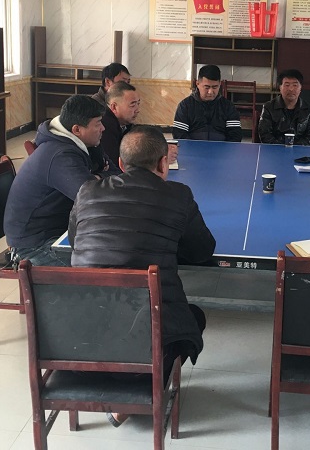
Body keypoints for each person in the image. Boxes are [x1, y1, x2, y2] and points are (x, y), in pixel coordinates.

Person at [69, 125, 216, 426]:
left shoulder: (87, 191)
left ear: (121, 164)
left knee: (124, 316)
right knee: (192, 318)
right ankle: (138, 392)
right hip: (145, 332)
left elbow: (75, 240)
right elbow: (202, 251)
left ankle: (118, 389)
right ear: (163, 163)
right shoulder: (179, 195)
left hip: (80, 331)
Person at [4, 94, 107, 266]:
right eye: (98, 124)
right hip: (34, 246)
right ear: (77, 130)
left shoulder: (85, 143)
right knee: (110, 260)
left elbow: (113, 171)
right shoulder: (60, 155)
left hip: (59, 230)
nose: (103, 128)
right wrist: (97, 178)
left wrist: (97, 177)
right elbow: (93, 198)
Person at [172, 64, 242, 142]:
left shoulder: (228, 107)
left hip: (221, 148)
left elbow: (235, 135)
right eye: (207, 87)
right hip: (192, 148)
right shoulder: (185, 106)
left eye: (215, 87)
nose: (210, 92)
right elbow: (179, 134)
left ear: (220, 84)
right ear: (197, 84)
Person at [257, 69, 310, 145]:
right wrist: (282, 148)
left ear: (300, 88)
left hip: (299, 149)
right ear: (280, 88)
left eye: (295, 85)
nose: (291, 89)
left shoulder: (309, 109)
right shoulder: (268, 107)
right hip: (275, 149)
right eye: (287, 85)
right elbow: (265, 135)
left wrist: (293, 147)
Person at [98, 81, 141, 175]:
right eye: (133, 105)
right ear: (114, 107)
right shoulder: (104, 127)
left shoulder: (125, 123)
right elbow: (116, 165)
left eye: (138, 104)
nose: (137, 110)